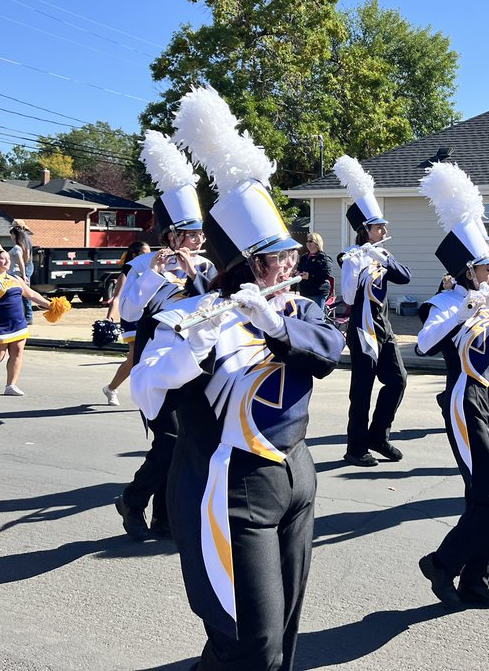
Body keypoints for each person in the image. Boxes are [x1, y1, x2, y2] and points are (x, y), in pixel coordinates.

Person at [132, 85, 343, 671]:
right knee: (251, 643)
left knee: (284, 633)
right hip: (229, 486)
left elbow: (330, 351)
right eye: (276, 259)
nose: (290, 266)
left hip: (296, 475)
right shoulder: (188, 316)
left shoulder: (298, 309)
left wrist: (274, 323)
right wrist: (193, 347)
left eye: (290, 256)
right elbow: (147, 395)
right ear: (243, 267)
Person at [415, 161, 489, 609]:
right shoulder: (442, 303)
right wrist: (462, 310)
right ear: (467, 271)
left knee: (481, 497)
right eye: (486, 269)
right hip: (463, 400)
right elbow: (424, 345)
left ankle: (477, 579)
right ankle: (441, 563)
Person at [113, 131, 215, 541]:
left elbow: (216, 307)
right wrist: (155, 275)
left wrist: (193, 275)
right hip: (154, 366)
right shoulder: (142, 266)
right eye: (190, 235)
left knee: (186, 442)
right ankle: (132, 499)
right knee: (169, 440)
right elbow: (129, 313)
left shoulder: (206, 267)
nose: (198, 241)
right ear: (171, 235)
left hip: (192, 363)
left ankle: (165, 518)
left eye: (200, 235)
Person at [334, 155, 411, 467]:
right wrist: (356, 267)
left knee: (398, 380)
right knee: (362, 392)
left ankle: (378, 436)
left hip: (383, 327)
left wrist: (382, 257)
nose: (384, 230)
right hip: (361, 328)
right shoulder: (351, 257)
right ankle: (355, 448)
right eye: (379, 227)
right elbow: (348, 297)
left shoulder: (382, 253)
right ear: (366, 229)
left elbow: (404, 277)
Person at [0, 249, 61, 395]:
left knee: (17, 352)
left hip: (18, 323)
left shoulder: (15, 278)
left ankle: (10, 385)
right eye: (3, 258)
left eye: (8, 259)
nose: (7, 261)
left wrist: (51, 305)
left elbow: (31, 294)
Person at [100, 240, 151, 406]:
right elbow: (116, 298)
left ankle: (112, 388)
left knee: (144, 358)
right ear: (135, 255)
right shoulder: (128, 272)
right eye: (145, 253)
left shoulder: (153, 270)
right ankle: (113, 389)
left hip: (148, 317)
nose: (149, 255)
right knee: (135, 358)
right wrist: (109, 318)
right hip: (131, 319)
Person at [297, 231, 335, 308]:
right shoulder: (304, 257)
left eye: (311, 241)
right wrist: (298, 273)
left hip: (318, 292)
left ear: (317, 243)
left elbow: (325, 275)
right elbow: (299, 269)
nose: (308, 243)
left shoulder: (323, 258)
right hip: (305, 291)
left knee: (317, 314)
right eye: (307, 241)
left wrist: (310, 276)